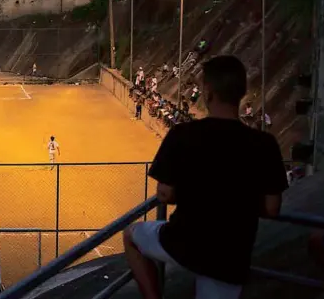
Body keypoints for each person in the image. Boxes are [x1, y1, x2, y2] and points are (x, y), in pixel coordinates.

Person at [123, 55, 288, 299]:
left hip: (184, 243)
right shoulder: (265, 143)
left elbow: (165, 194)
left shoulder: (183, 134)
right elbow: (272, 208)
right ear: (241, 93)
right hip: (232, 254)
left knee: (131, 235)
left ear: (208, 93)